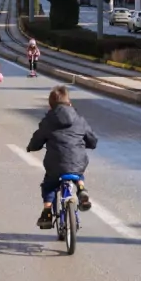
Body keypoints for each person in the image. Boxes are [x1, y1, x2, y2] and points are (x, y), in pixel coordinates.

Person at [27, 86, 97, 229]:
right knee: (78, 173)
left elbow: (37, 139)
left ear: (50, 105)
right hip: (78, 161)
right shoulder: (80, 120)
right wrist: (89, 144)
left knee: (49, 185)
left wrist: (31, 147)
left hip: (55, 164)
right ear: (69, 103)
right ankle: (81, 189)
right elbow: (92, 140)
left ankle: (47, 212)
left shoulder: (48, 121)